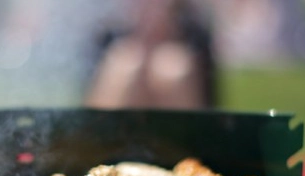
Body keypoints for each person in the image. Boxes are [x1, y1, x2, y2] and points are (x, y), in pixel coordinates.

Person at [84, 0, 218, 110]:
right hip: (116, 132)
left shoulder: (195, 37)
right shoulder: (109, 37)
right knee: (126, 65)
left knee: (171, 67)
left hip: (180, 133)